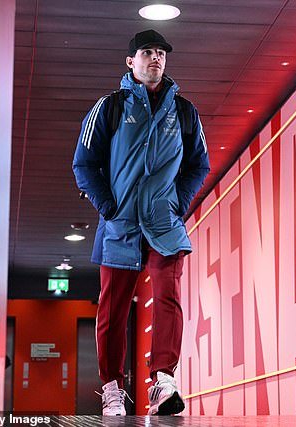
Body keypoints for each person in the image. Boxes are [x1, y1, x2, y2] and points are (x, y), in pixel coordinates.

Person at [72, 29, 210, 416]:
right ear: (130, 61)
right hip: (120, 225)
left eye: (161, 53)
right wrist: (108, 206)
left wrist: (177, 202)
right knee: (113, 310)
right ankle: (112, 388)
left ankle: (163, 380)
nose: (156, 58)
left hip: (164, 224)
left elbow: (199, 164)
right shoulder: (110, 107)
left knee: (168, 295)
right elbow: (84, 164)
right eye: (147, 52)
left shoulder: (184, 111)